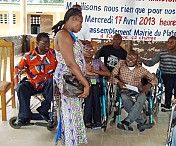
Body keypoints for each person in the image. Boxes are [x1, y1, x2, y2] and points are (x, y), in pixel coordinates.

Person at [52, 8, 90, 146]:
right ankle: (71, 142)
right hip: (68, 79)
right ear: (73, 19)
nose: (81, 26)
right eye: (80, 22)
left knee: (74, 111)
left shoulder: (69, 35)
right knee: (70, 113)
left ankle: (74, 140)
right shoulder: (63, 35)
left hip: (74, 78)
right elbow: (70, 63)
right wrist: (85, 83)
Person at [14, 32, 57, 125]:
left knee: (52, 82)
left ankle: (43, 109)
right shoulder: (28, 56)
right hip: (33, 83)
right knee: (21, 87)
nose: (47, 45)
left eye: (48, 42)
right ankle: (24, 116)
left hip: (47, 84)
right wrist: (16, 83)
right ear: (37, 43)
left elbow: (61, 68)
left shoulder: (54, 54)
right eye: (44, 43)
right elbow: (17, 68)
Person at [110, 50, 158, 132]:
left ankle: (127, 122)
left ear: (137, 59)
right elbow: (112, 76)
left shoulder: (141, 69)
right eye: (129, 56)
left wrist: (149, 85)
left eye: (133, 57)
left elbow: (155, 79)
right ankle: (141, 121)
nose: (130, 59)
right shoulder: (121, 63)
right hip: (124, 89)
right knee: (124, 98)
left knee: (142, 97)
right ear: (126, 57)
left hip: (137, 89)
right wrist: (118, 82)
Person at [141, 36, 176, 111]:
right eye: (168, 42)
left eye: (172, 42)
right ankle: (167, 104)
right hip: (164, 73)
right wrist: (142, 60)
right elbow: (151, 63)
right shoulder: (162, 53)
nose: (169, 44)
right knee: (169, 82)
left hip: (175, 73)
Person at [83, 44, 110, 128]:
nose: (88, 52)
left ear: (94, 52)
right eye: (86, 50)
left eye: (90, 50)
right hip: (83, 83)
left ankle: (96, 120)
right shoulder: (79, 61)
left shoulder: (97, 62)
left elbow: (107, 73)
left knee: (94, 90)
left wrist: (94, 71)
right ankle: (92, 120)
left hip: (95, 83)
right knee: (91, 90)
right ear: (82, 51)